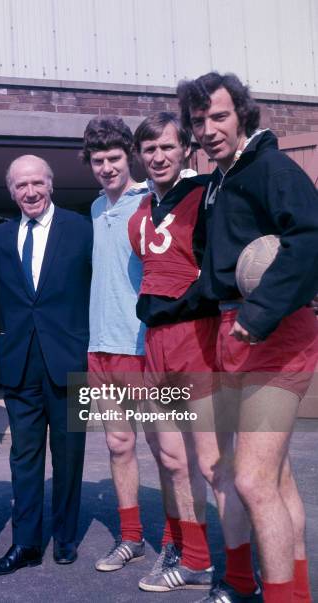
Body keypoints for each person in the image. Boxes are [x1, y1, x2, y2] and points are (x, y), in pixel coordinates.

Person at [178, 71, 318, 603]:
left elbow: (309, 241)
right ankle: (296, 593)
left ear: (242, 114)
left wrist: (258, 315)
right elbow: (215, 270)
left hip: (274, 335)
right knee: (277, 481)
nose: (209, 128)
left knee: (252, 481)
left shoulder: (270, 168)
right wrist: (169, 308)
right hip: (238, 334)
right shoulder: (222, 178)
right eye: (199, 121)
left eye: (219, 116)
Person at [129, 112, 258, 598]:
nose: (158, 157)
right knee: (172, 459)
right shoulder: (141, 211)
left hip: (197, 337)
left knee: (211, 462)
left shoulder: (207, 194)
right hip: (155, 341)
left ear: (186, 149)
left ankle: (242, 576)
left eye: (166, 147)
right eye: (149, 149)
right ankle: (196, 561)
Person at [81, 116, 200, 581]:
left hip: (144, 344)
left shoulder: (151, 200)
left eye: (114, 159)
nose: (107, 168)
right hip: (100, 346)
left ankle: (178, 543)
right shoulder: (93, 208)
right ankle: (131, 537)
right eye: (98, 161)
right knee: (117, 444)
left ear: (128, 157)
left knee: (168, 451)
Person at [0, 154, 92, 575]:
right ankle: (26, 543)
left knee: (69, 456)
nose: (29, 192)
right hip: (19, 364)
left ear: (50, 184)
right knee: (24, 458)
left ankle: (65, 538)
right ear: (11, 192)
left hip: (70, 360)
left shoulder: (81, 230)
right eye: (20, 186)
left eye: (36, 183)